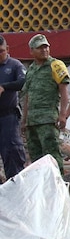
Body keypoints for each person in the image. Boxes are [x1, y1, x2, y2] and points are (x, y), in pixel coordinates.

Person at [21, 34, 70, 171]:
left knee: (52, 156)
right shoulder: (30, 70)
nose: (44, 50)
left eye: (46, 47)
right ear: (31, 51)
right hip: (32, 122)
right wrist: (24, 120)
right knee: (36, 160)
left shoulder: (56, 65)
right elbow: (27, 96)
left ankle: (58, 187)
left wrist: (62, 115)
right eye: (40, 48)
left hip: (47, 120)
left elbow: (64, 91)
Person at [0, 35, 27, 180]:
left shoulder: (14, 65)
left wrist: (4, 87)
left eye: (1, 51)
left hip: (8, 117)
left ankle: (16, 184)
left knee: (11, 152)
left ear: (7, 49)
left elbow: (23, 82)